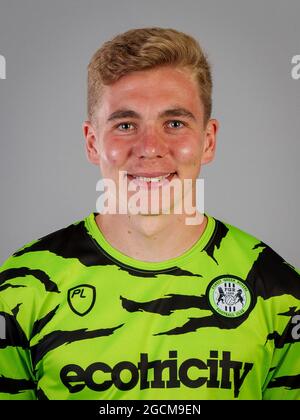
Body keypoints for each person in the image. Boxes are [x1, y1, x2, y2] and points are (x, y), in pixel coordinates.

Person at [0, 27, 299, 401]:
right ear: (93, 143)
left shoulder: (281, 294)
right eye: (125, 125)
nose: (150, 148)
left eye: (174, 123)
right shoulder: (19, 290)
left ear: (208, 140)